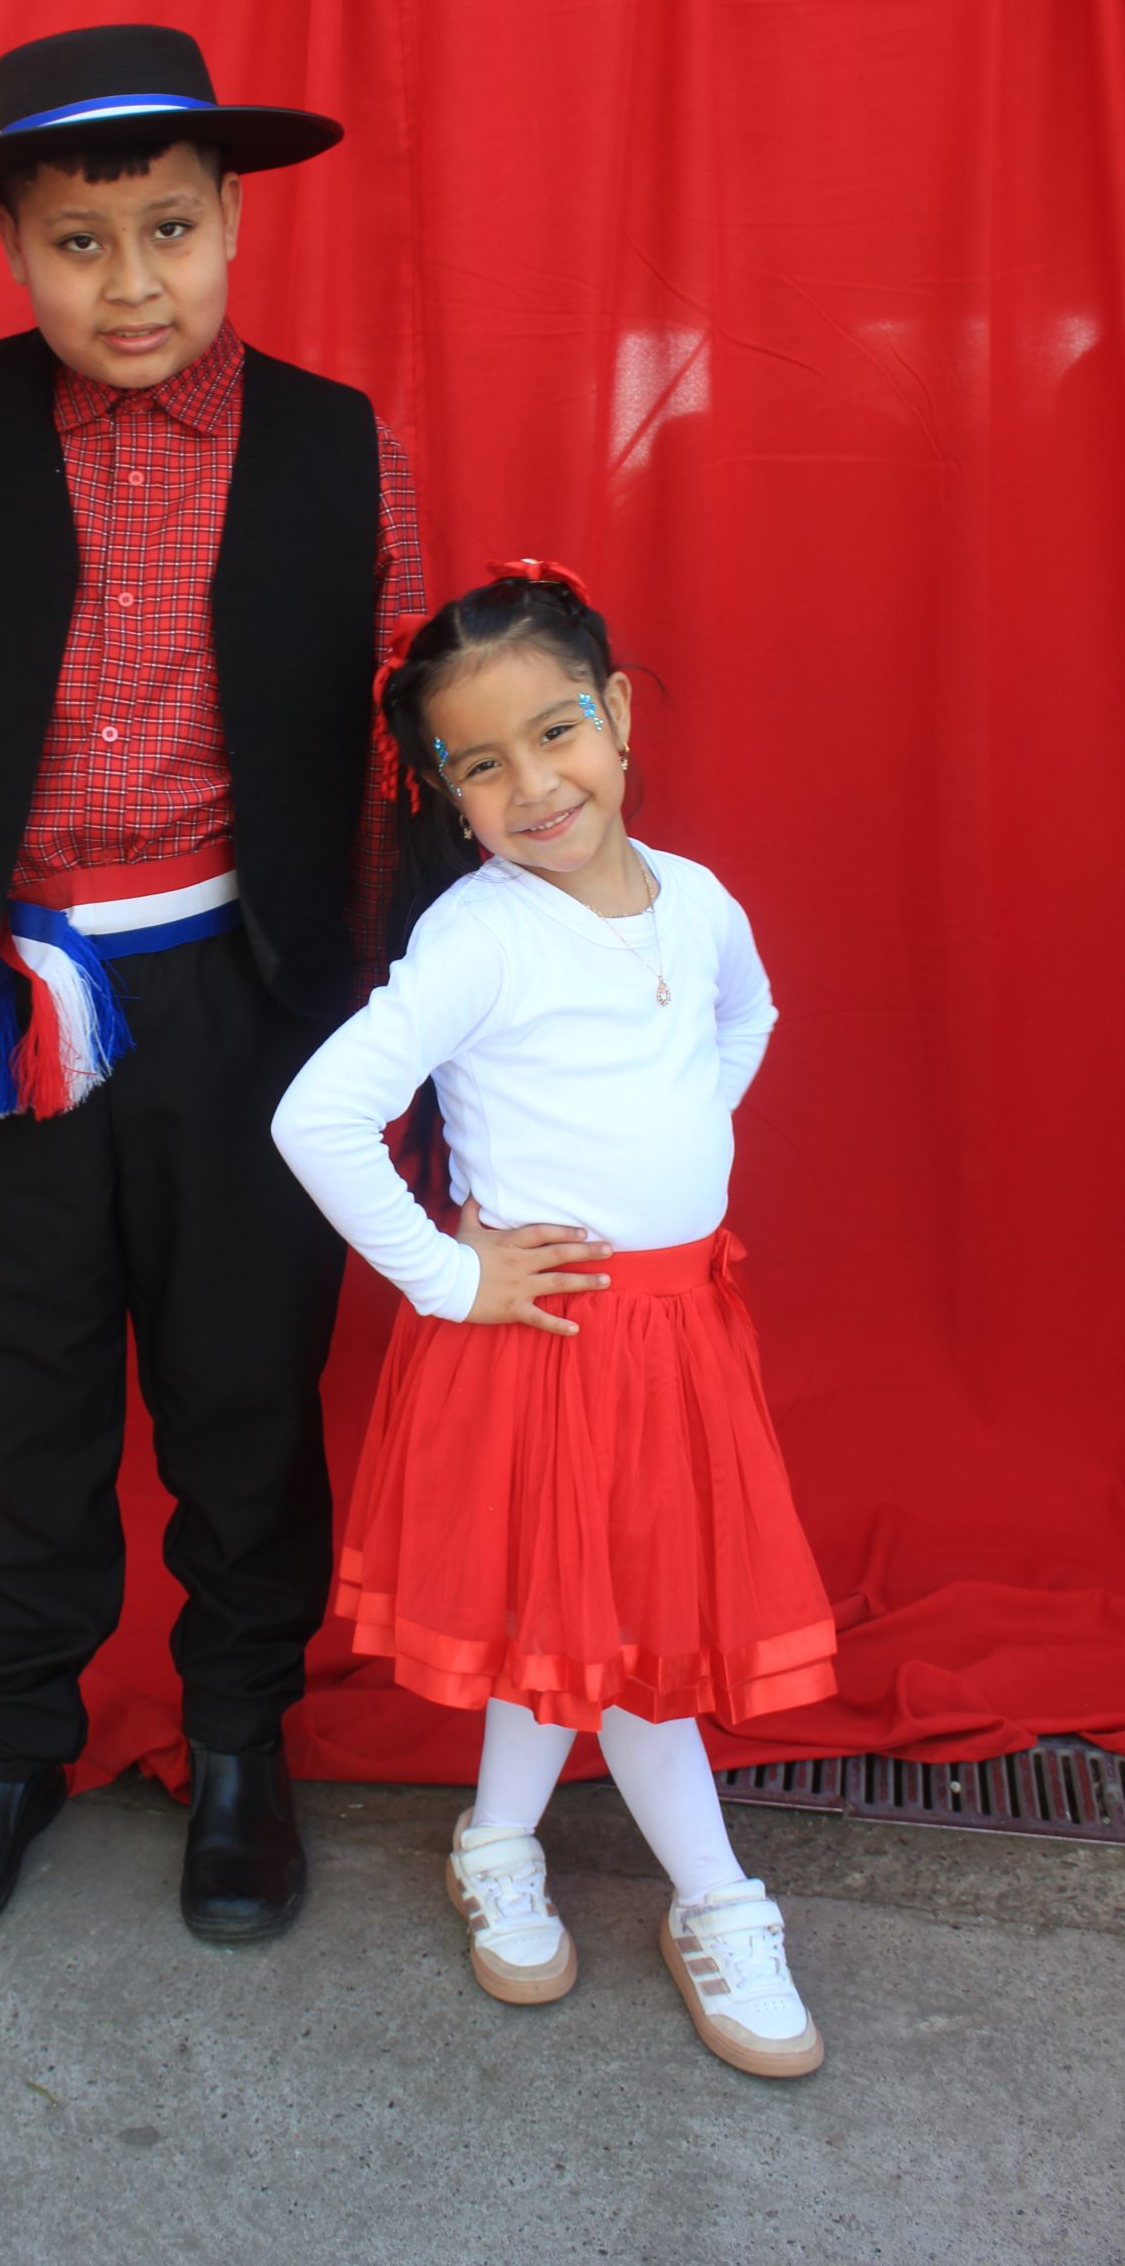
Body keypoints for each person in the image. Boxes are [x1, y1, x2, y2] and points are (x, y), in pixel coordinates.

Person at [0, 23, 501, 1952]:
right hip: (8, 1004)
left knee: (244, 1388)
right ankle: (7, 1750)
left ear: (232, 225)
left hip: (255, 1005)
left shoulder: (342, 446)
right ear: (11, 248)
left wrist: (454, 1037)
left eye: (169, 231)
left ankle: (239, 1745)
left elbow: (406, 751)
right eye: (75, 242)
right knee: (14, 1397)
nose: (131, 285)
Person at [270, 556, 837, 2076]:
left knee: (569, 1619)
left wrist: (680, 1150)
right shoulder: (482, 935)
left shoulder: (699, 903)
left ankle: (494, 1840)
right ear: (444, 791)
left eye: (557, 731)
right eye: (480, 763)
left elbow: (748, 1018)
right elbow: (318, 1118)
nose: (532, 785)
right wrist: (454, 1276)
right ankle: (718, 1898)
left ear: (620, 714)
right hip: (549, 1346)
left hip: (675, 1337)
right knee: (630, 1643)